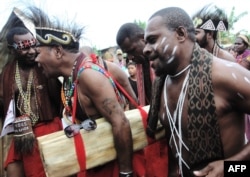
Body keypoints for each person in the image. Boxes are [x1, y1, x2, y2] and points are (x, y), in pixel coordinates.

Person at [28, 6, 142, 177]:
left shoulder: (88, 75)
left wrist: (126, 173)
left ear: (58, 51)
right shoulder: (71, 77)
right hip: (98, 162)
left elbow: (121, 122)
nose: (36, 59)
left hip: (114, 167)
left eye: (38, 53)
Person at [143, 6, 250, 177]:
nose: (145, 49)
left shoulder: (224, 75)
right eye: (145, 42)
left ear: (181, 34)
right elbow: (175, 143)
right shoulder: (161, 85)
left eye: (152, 39)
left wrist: (231, 167)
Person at [0, 26, 63, 177]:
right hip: (22, 134)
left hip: (49, 128)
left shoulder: (45, 66)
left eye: (33, 45)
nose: (31, 51)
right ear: (12, 49)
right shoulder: (6, 74)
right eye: (24, 47)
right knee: (12, 171)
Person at [116, 22, 168, 177]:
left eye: (132, 50)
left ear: (142, 38)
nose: (131, 57)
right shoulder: (140, 63)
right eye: (127, 54)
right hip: (152, 124)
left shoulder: (163, 58)